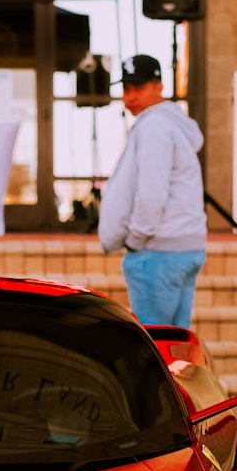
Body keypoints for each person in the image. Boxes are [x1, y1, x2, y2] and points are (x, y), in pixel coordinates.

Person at [97, 54, 207, 329]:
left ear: (158, 87)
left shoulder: (154, 127)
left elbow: (151, 193)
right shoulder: (173, 125)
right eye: (125, 89)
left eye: (138, 88)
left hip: (158, 250)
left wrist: (136, 239)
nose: (129, 97)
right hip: (184, 246)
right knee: (174, 345)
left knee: (154, 349)